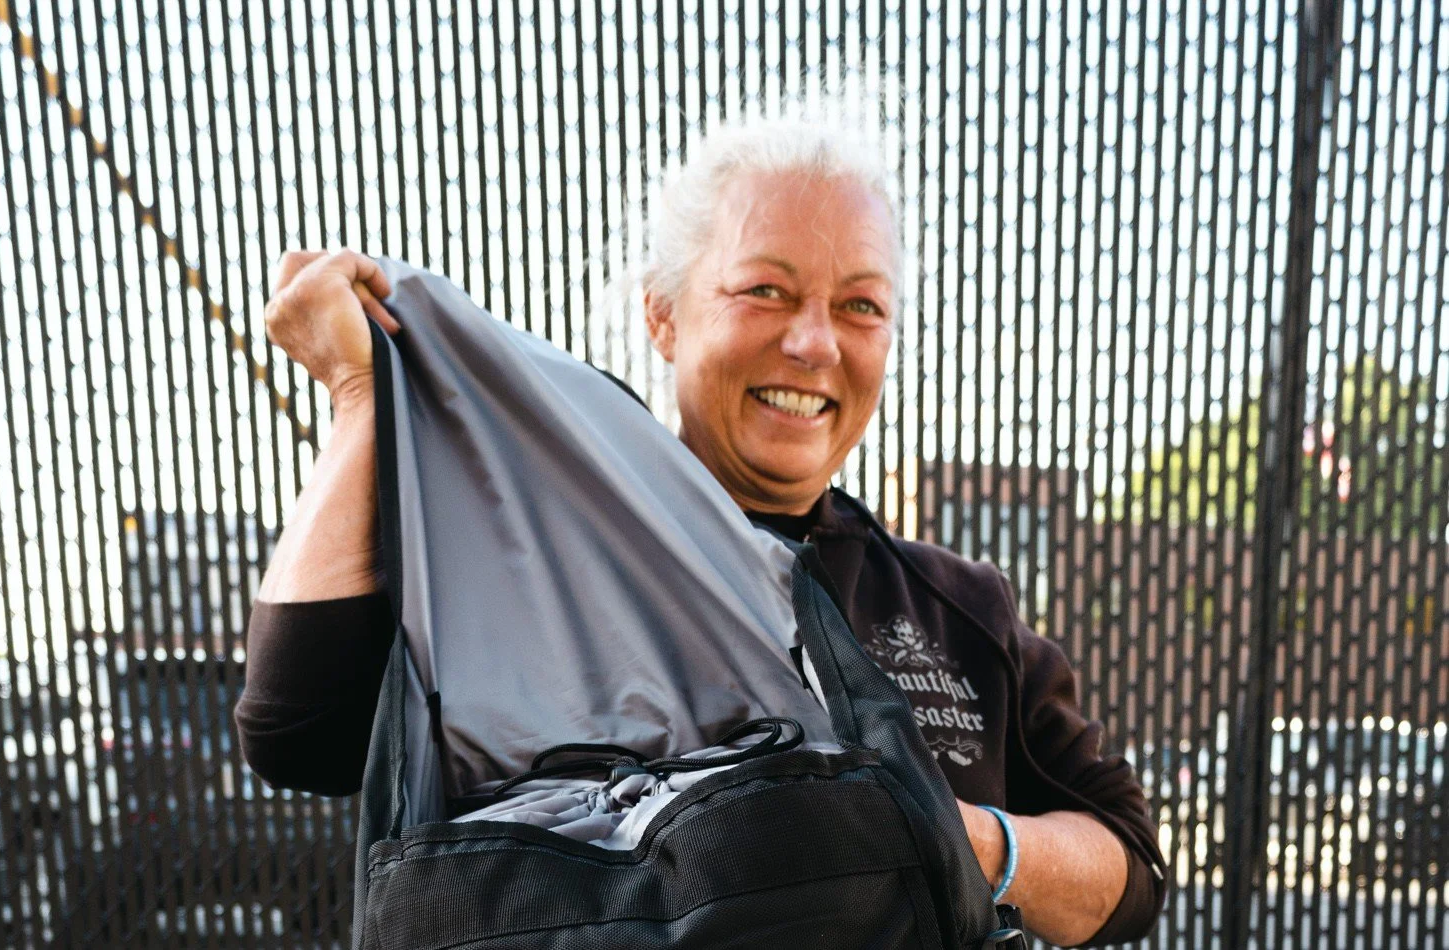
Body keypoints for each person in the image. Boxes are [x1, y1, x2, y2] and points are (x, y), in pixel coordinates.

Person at [235, 114, 1168, 947]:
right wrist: (364, 397)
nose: (814, 344)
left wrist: (961, 840)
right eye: (765, 290)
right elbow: (299, 733)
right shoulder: (526, 558)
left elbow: (1130, 874)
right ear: (664, 314)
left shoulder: (953, 603)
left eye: (860, 306)